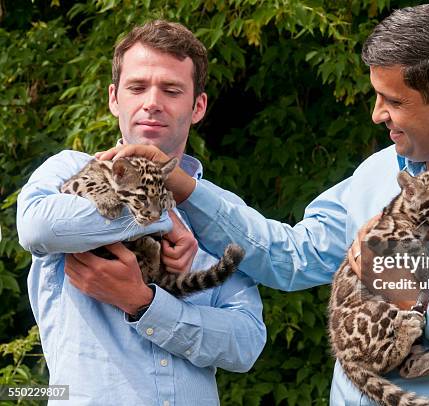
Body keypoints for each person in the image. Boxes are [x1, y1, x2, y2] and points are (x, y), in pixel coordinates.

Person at [97, 4, 429, 405]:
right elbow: (292, 257)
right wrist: (186, 188)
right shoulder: (380, 172)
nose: (377, 114)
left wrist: (413, 299)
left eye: (392, 101)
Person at [17, 20, 266, 406]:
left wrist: (144, 304)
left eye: (171, 89)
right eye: (137, 87)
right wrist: (165, 215)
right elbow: (37, 227)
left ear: (198, 106)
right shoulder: (66, 168)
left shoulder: (222, 211)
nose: (152, 101)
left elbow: (245, 343)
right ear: (114, 98)